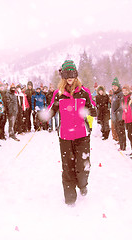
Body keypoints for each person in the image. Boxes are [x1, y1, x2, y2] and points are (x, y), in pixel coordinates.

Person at [47, 60, 96, 205]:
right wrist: (45, 116)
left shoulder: (84, 92)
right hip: (65, 136)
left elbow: (93, 108)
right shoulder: (58, 94)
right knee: (67, 167)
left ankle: (83, 184)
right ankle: (70, 198)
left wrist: (92, 110)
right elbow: (51, 110)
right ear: (63, 76)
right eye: (67, 74)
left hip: (82, 135)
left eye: (72, 74)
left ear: (76, 75)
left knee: (82, 166)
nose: (70, 77)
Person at [111, 77, 125, 151]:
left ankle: (123, 146)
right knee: (117, 130)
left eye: (115, 86)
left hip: (120, 116)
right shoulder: (114, 94)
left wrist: (116, 112)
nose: (114, 87)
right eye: (113, 86)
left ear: (118, 86)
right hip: (115, 116)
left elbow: (121, 106)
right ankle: (120, 142)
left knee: (121, 131)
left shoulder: (120, 94)